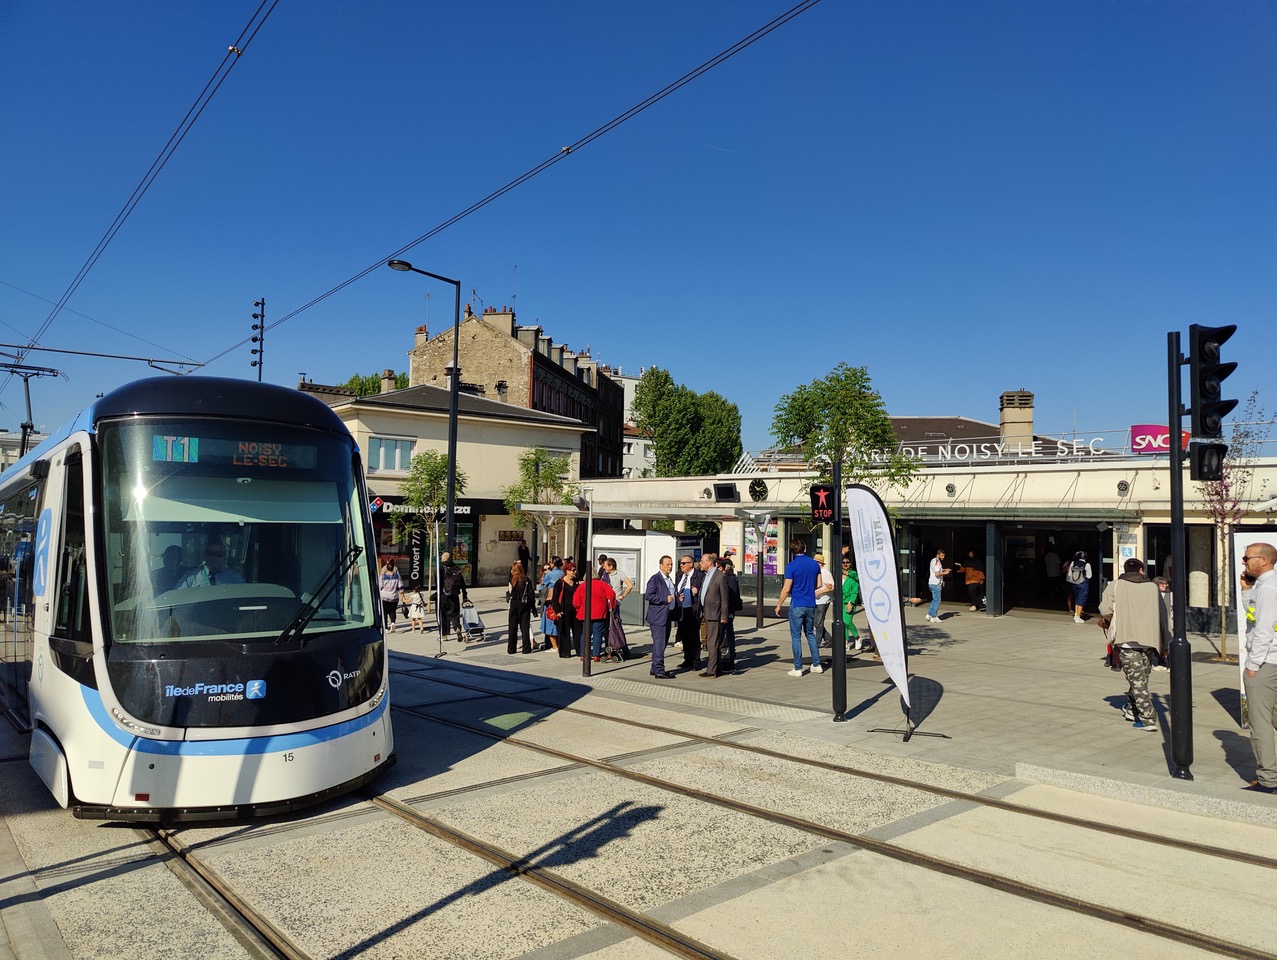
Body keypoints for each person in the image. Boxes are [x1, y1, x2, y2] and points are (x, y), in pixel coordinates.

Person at [1097, 558, 1167, 732]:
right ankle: (1131, 710)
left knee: (1138, 681)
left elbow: (1105, 609)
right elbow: (1163, 616)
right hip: (1150, 640)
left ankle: (1147, 719)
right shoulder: (1153, 587)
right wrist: (1165, 643)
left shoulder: (1115, 585)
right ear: (1142, 570)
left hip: (1127, 639)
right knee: (1141, 679)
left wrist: (1111, 619)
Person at [1239, 543, 1277, 793]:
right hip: (1272, 660)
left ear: (1263, 561)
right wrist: (1246, 592)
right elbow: (1253, 615)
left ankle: (1269, 779)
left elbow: (1263, 630)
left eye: (1247, 558)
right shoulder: (1263, 586)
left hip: (1266, 663)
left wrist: (1252, 665)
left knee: (1260, 723)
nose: (1244, 562)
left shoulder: (1269, 588)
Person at [775, 538, 822, 677]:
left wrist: (779, 604)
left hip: (797, 603)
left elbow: (786, 588)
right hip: (811, 603)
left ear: (792, 551)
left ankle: (797, 668)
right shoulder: (814, 564)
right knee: (810, 634)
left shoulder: (791, 566)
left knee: (796, 637)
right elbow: (819, 584)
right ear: (804, 548)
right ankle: (816, 664)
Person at [643, 555, 678, 678]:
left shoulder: (669, 579)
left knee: (662, 644)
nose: (670, 567)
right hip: (658, 617)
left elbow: (671, 594)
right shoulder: (655, 579)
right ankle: (659, 670)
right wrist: (664, 599)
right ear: (661, 565)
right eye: (668, 564)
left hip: (667, 615)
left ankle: (654, 668)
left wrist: (678, 598)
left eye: (671, 564)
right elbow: (649, 595)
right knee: (659, 643)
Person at [573, 569, 616, 661]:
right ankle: (596, 655)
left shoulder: (582, 586)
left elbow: (576, 601)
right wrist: (611, 607)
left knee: (585, 634)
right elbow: (612, 595)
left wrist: (578, 609)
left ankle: (583, 654)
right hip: (599, 613)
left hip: (585, 613)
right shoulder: (603, 584)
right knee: (598, 634)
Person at [700, 552, 730, 677]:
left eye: (702, 561)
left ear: (709, 563)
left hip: (715, 614)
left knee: (712, 643)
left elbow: (725, 598)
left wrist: (724, 616)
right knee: (713, 642)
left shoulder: (719, 577)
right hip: (706, 612)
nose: (700, 563)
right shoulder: (706, 575)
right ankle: (717, 667)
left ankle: (711, 670)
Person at [179, 541, 246, 590]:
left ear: (225, 557)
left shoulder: (235, 578)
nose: (214, 557)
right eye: (210, 554)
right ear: (204, 555)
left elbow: (244, 599)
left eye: (219, 555)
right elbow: (179, 598)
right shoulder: (190, 578)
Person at [674, 555, 701, 670]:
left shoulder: (699, 576)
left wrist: (697, 592)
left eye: (684, 563)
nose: (681, 565)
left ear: (691, 564)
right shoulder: (679, 575)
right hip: (681, 610)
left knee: (694, 636)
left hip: (693, 610)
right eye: (680, 563)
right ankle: (687, 659)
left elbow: (705, 593)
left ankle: (696, 661)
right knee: (684, 636)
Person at [506, 561, 535, 654]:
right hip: (524, 604)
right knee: (525, 626)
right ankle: (526, 648)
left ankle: (511, 648)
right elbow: (531, 594)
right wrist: (533, 607)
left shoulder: (512, 579)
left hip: (514, 603)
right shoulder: (526, 580)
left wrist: (514, 564)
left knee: (512, 627)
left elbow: (509, 576)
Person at [718, 556, 742, 670]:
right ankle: (727, 656)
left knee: (728, 634)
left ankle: (729, 658)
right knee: (726, 634)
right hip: (726, 610)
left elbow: (731, 595)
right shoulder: (727, 577)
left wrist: (728, 611)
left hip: (728, 611)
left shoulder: (730, 578)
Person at [551, 563, 579, 658]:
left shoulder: (575, 582)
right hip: (564, 611)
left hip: (575, 610)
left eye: (575, 570)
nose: (574, 572)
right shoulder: (560, 582)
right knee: (564, 631)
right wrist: (557, 611)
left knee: (577, 631)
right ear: (567, 571)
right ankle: (565, 652)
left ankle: (580, 651)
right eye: (573, 570)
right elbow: (554, 599)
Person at [440, 552, 469, 641]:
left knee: (443, 614)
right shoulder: (456, 568)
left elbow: (439, 583)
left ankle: (444, 634)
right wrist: (464, 595)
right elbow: (463, 584)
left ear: (442, 559)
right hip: (454, 595)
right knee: (455, 613)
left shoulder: (441, 568)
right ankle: (457, 628)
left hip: (443, 595)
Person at [839, 554, 864, 652]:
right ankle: (846, 643)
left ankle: (857, 637)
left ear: (850, 563)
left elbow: (855, 591)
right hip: (839, 601)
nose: (845, 564)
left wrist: (850, 603)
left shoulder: (854, 574)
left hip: (849, 601)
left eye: (847, 562)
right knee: (843, 623)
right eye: (843, 562)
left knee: (847, 621)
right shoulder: (838, 573)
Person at [539, 558, 564, 647]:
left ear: (553, 563)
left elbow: (543, 584)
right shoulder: (562, 573)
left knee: (550, 621)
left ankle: (554, 646)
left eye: (550, 562)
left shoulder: (550, 574)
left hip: (550, 599)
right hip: (561, 599)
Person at [813, 553, 835, 647]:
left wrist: (819, 592)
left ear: (820, 563)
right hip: (815, 600)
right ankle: (828, 638)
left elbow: (832, 586)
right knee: (815, 622)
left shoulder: (825, 573)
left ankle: (817, 642)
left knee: (818, 622)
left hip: (823, 600)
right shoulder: (814, 572)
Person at [1066, 551, 1092, 623]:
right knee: (1081, 600)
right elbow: (1089, 576)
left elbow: (1069, 574)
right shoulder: (1087, 564)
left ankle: (1076, 614)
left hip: (1074, 584)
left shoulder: (1073, 563)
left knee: (1077, 599)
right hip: (1083, 584)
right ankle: (1078, 617)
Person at [926, 548, 951, 623]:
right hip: (936, 583)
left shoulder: (933, 560)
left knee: (934, 599)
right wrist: (945, 573)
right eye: (942, 555)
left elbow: (936, 570)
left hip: (931, 583)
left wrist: (944, 569)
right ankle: (934, 616)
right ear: (938, 555)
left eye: (944, 555)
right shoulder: (937, 562)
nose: (943, 557)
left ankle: (929, 614)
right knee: (937, 600)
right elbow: (937, 573)